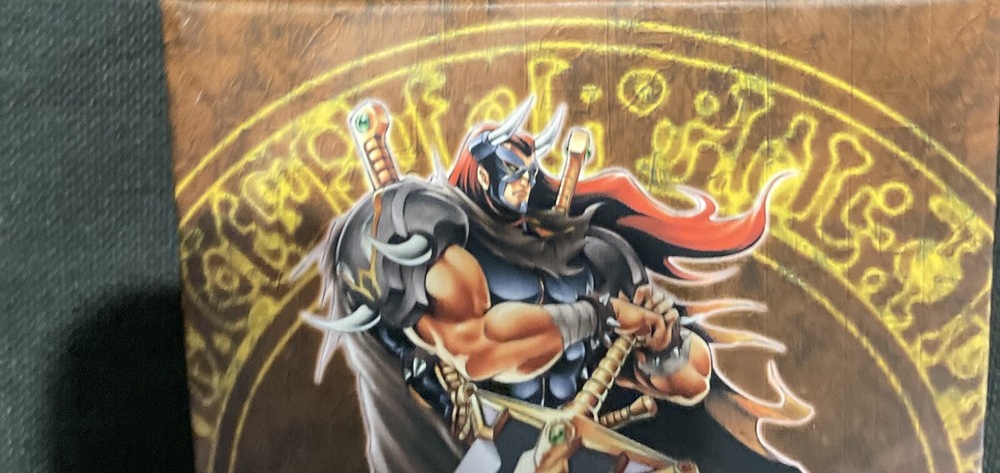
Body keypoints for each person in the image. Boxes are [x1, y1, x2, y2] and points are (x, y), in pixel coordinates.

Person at [295, 96, 809, 472]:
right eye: (511, 173)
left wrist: (664, 345)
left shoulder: (591, 257)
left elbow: (689, 382)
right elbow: (480, 350)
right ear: (482, 175)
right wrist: (602, 316)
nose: (522, 183)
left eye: (527, 172)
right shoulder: (421, 232)